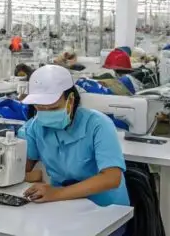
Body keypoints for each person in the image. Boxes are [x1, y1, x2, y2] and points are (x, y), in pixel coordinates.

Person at [18, 65, 130, 206]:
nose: (46, 113)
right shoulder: (35, 128)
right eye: (40, 108)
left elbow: (111, 178)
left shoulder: (98, 125)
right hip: (64, 205)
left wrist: (56, 193)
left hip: (105, 208)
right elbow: (19, 170)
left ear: (70, 100)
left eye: (53, 108)